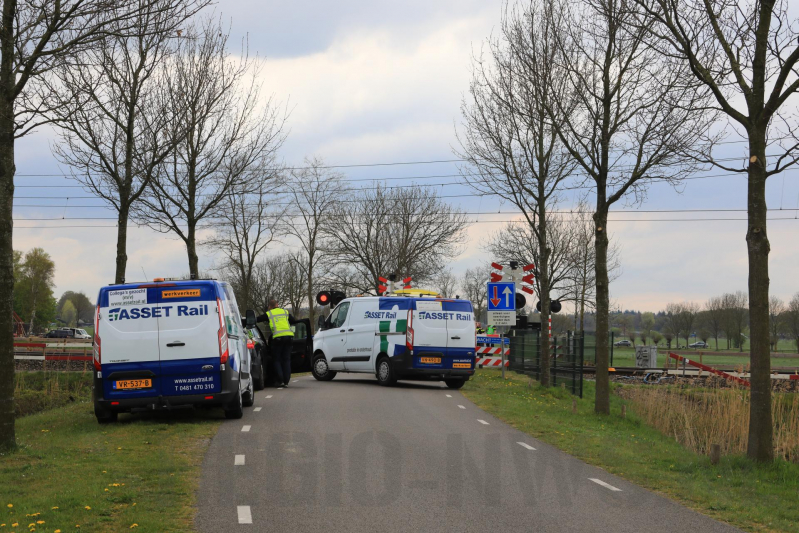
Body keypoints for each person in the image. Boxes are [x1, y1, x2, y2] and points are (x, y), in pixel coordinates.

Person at [257, 300, 297, 388]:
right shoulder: (285, 312)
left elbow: (258, 319)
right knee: (286, 360)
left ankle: (280, 380)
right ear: (277, 305)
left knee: (276, 359)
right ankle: (286, 381)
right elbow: (294, 320)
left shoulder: (269, 313)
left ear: (269, 306)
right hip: (289, 337)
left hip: (278, 339)